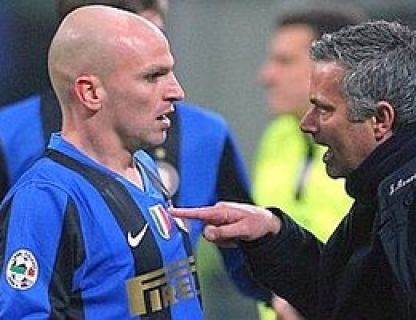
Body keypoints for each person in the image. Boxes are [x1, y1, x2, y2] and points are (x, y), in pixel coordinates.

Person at [173, 20, 416, 319]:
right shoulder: (381, 192)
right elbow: (346, 302)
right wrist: (273, 235)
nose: (308, 124)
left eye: (324, 109)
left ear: (380, 120)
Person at [0, 0, 270, 314]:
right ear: (91, 93)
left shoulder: (144, 167)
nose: (176, 91)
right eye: (153, 76)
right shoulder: (46, 198)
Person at [254, 7, 364, 319]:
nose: (266, 76)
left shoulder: (370, 145)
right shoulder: (277, 137)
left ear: (332, 69)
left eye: (284, 61)